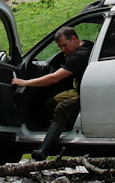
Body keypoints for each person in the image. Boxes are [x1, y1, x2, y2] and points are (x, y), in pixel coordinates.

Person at [13, 25, 90, 159]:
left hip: (88, 94)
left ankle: (44, 150)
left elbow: (54, 78)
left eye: (64, 45)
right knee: (50, 103)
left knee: (61, 108)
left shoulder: (78, 56)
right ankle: (62, 125)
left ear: (74, 38)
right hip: (81, 89)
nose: (63, 50)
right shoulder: (88, 45)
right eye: (60, 47)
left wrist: (25, 83)